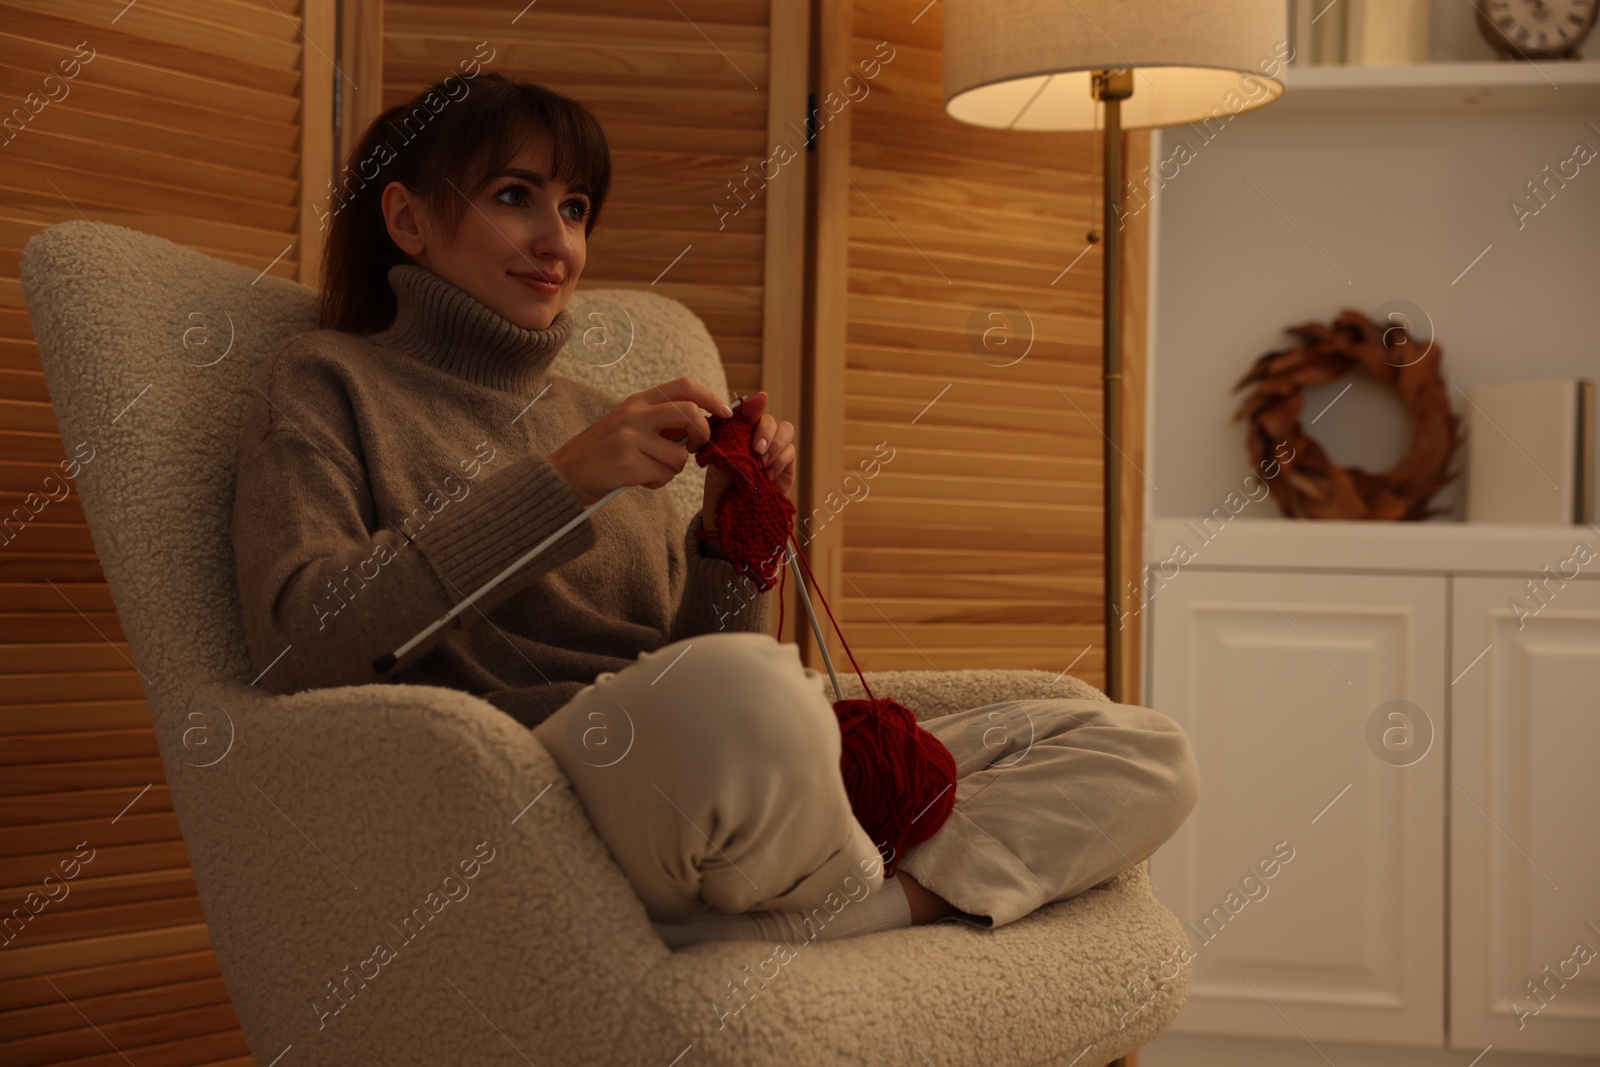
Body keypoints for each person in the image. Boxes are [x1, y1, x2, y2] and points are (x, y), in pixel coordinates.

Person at [231, 71, 1199, 949]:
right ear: (406, 218)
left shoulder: (593, 413)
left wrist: (728, 534)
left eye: (575, 207)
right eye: (513, 195)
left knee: (1138, 746)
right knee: (743, 692)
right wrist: (558, 486)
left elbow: (685, 649)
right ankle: (845, 877)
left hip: (705, 767)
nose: (556, 241)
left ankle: (831, 914)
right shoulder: (327, 379)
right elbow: (302, 642)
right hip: (545, 770)